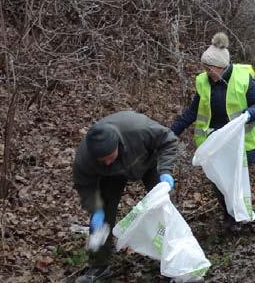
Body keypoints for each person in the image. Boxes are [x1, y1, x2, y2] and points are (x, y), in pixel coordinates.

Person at [171, 32, 255, 231]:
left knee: (237, 182)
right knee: (219, 181)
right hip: (215, 141)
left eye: (210, 68)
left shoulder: (243, 78)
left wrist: (248, 115)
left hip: (241, 141)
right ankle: (229, 217)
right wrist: (171, 133)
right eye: (205, 68)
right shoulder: (204, 81)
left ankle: (243, 216)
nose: (207, 72)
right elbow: (192, 112)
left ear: (222, 67)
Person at [73, 111, 178, 283]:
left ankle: (174, 260)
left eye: (109, 157)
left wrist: (165, 171)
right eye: (102, 159)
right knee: (103, 213)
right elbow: (84, 184)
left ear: (117, 145)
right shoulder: (86, 157)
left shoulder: (138, 129)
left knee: (163, 208)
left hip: (147, 161)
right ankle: (99, 267)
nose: (106, 161)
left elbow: (169, 140)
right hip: (111, 176)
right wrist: (95, 208)